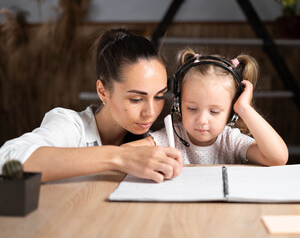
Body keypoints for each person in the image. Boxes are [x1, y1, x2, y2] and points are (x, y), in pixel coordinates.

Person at [0, 28, 182, 183]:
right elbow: (7, 160)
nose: (150, 112)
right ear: (103, 91)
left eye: (159, 96)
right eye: (136, 99)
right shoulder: (71, 126)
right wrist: (119, 157)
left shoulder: (156, 138)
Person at [125, 48, 288, 166]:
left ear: (231, 112)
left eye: (214, 111)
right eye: (192, 109)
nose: (202, 120)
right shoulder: (170, 137)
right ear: (178, 104)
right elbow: (121, 153)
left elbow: (278, 157)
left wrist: (244, 108)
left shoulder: (230, 141)